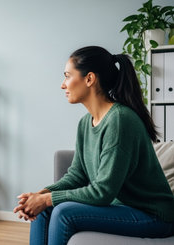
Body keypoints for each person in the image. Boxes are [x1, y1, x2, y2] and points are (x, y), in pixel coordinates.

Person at [13, 46, 174, 245]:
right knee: (45, 209)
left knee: (63, 212)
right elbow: (77, 176)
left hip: (154, 216)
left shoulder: (120, 120)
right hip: (124, 207)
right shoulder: (85, 123)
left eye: (67, 76)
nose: (63, 85)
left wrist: (47, 199)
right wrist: (40, 194)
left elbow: (102, 192)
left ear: (89, 79)